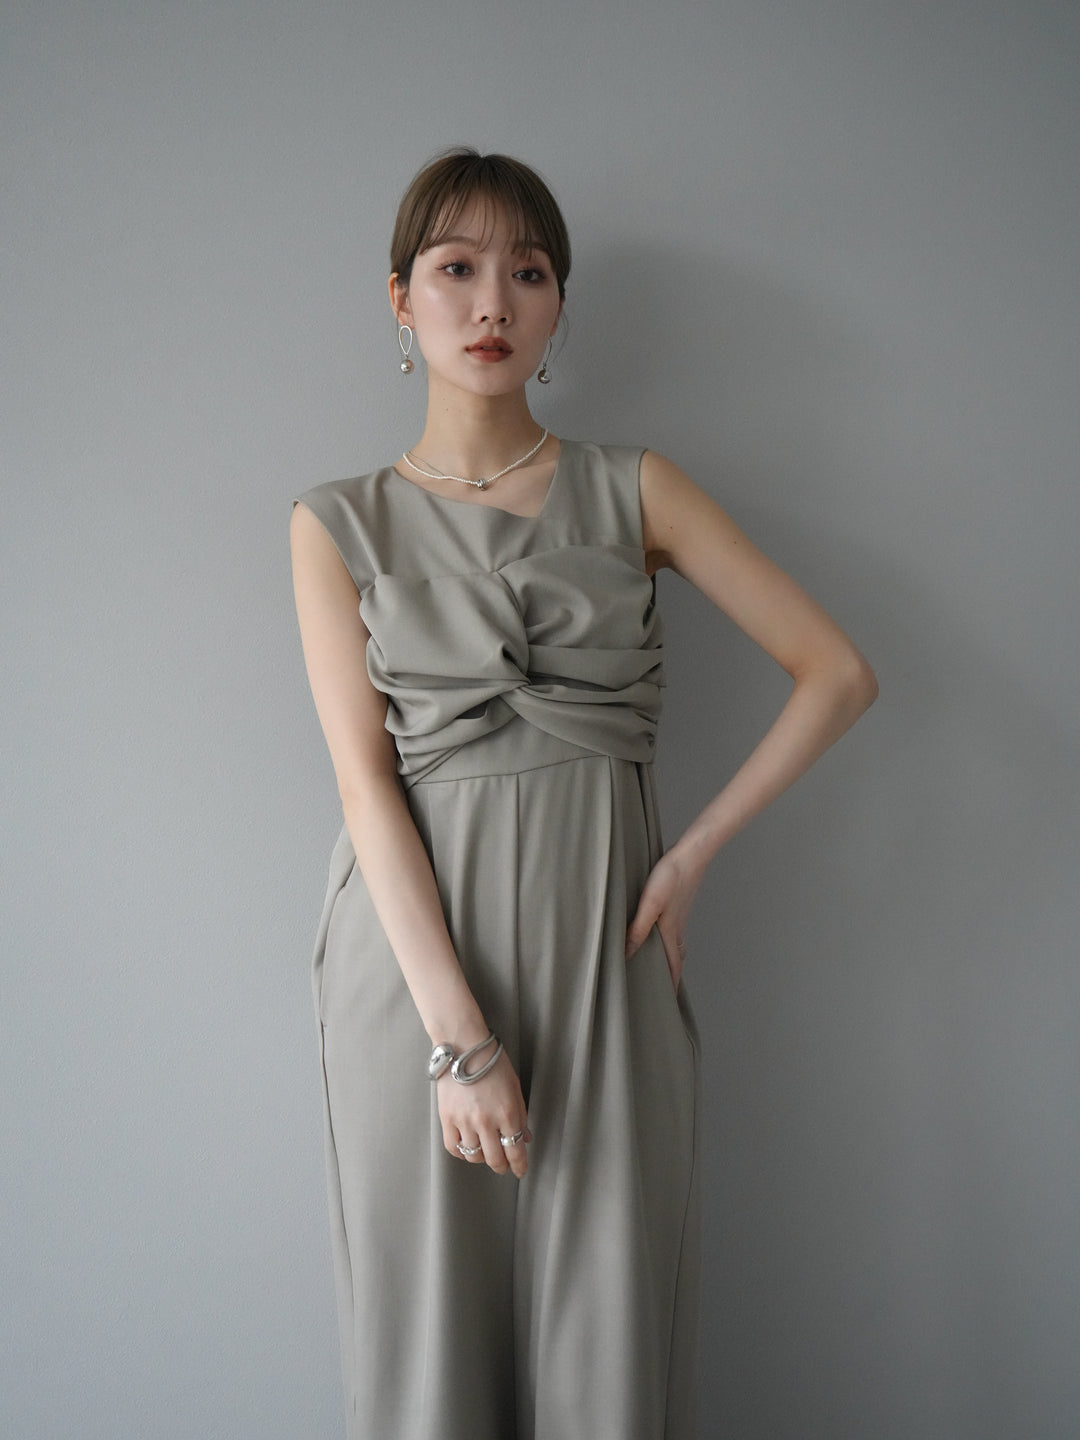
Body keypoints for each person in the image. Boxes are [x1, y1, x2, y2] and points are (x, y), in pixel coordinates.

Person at [290, 148, 877, 1440]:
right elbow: (365, 789)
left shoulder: (636, 488)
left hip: (608, 958)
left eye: (530, 272)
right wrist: (460, 1046)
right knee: (428, 1360)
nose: (491, 302)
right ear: (399, 299)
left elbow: (838, 674)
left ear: (560, 305)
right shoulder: (336, 524)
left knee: (609, 1349)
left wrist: (693, 854)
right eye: (456, 268)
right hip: (415, 986)